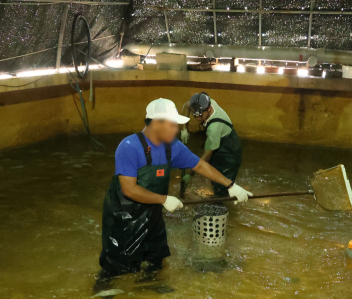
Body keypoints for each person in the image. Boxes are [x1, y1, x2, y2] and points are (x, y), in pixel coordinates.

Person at [98, 98, 252, 288]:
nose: (177, 130)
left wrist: (230, 186)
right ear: (156, 123)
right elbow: (129, 189)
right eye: (172, 125)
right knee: (117, 262)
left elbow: (200, 165)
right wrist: (164, 199)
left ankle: (148, 286)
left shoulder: (172, 147)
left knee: (157, 256)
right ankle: (103, 289)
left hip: (153, 211)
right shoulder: (129, 147)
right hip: (124, 215)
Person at [180, 92, 242, 197]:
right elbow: (186, 106)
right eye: (195, 114)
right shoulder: (203, 102)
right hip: (218, 141)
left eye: (201, 115)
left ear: (209, 109)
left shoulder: (214, 127)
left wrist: (190, 174)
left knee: (222, 185)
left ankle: (223, 203)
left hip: (230, 152)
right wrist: (184, 128)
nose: (197, 117)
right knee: (214, 174)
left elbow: (207, 154)